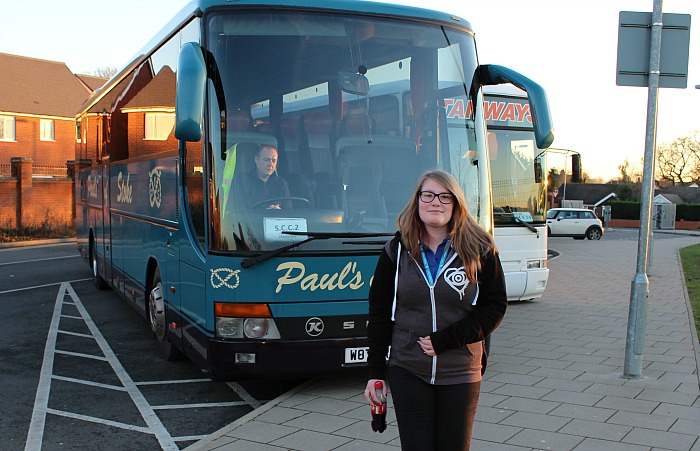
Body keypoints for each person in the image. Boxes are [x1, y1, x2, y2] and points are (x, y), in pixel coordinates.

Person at [364, 170, 507, 450]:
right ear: (417, 201)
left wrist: (446, 339)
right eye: (427, 195)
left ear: (456, 204)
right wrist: (375, 372)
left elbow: (495, 306)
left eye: (445, 197)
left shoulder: (480, 248)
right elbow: (380, 313)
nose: (435, 203)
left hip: (461, 369)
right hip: (408, 367)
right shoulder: (396, 249)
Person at [241, 145, 291, 209]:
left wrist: (279, 212)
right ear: (256, 159)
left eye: (274, 161)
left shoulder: (281, 184)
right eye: (266, 160)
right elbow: (239, 211)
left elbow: (289, 212)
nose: (270, 164)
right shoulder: (243, 181)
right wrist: (266, 211)